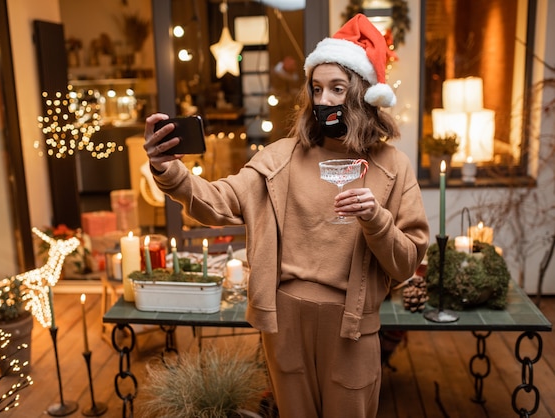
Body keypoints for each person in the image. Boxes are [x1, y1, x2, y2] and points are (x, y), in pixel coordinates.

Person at [143, 13, 429, 418]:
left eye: (337, 88)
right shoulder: (281, 156)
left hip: (351, 327)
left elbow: (406, 261)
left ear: (363, 94)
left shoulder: (392, 167)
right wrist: (168, 171)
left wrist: (376, 219)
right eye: (316, 89)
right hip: (285, 322)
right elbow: (218, 201)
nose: (324, 99)